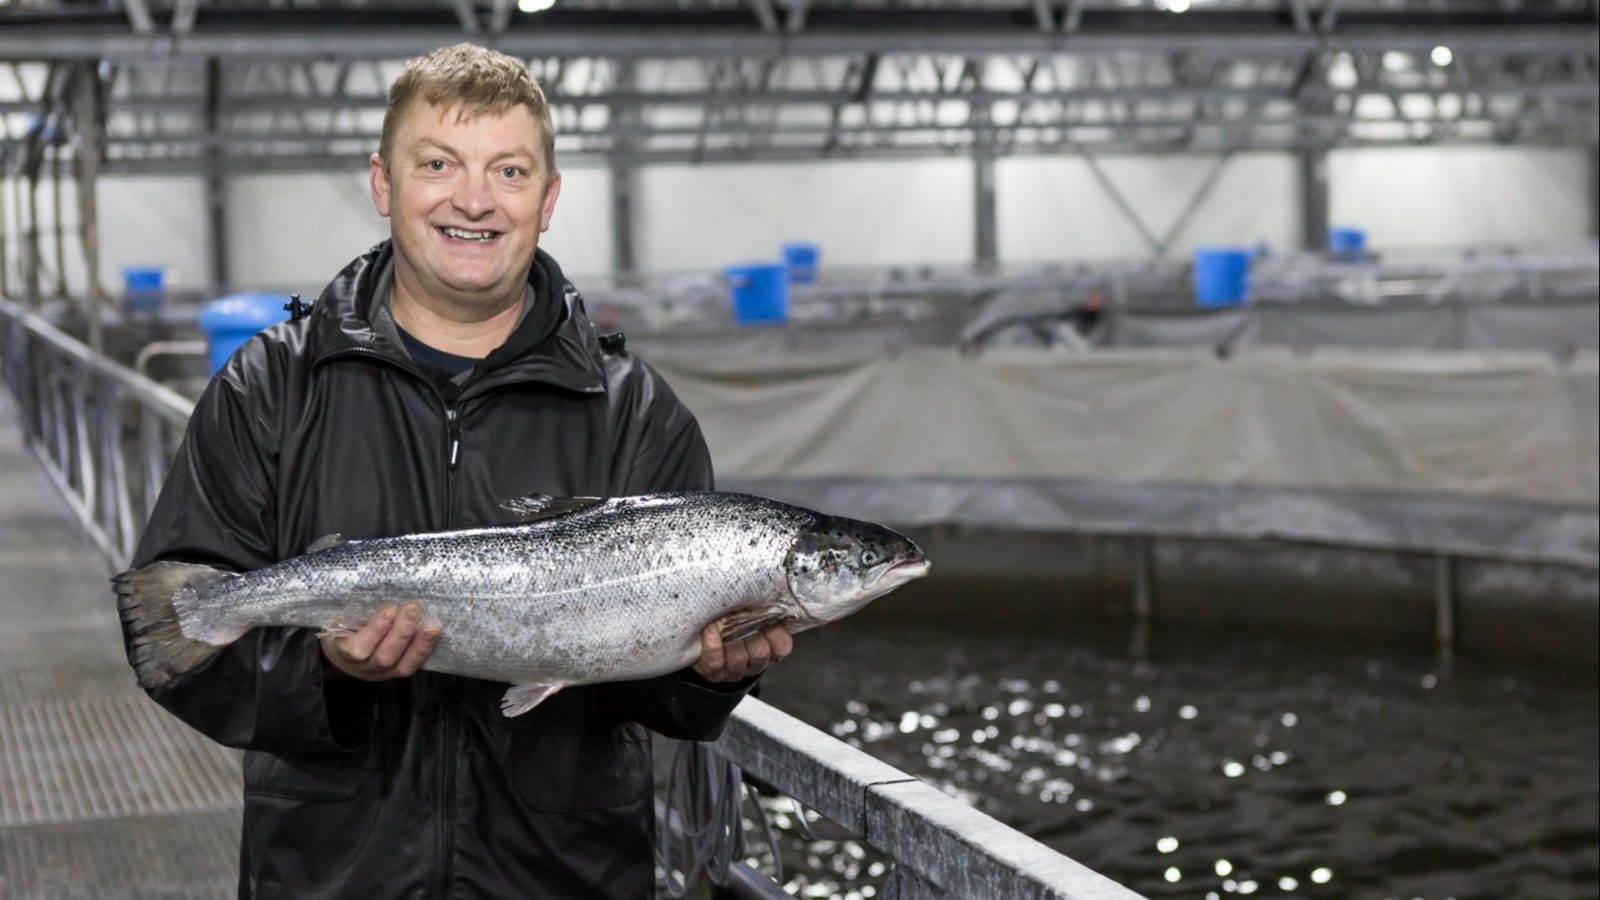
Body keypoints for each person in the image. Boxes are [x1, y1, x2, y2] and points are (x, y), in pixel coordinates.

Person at [121, 42, 792, 898]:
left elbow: (662, 705)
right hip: (331, 878)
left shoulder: (634, 411)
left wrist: (709, 672)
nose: (474, 199)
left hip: (563, 878)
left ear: (546, 201)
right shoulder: (269, 388)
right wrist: (328, 673)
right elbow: (178, 647)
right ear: (383, 184)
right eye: (438, 163)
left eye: (509, 171)